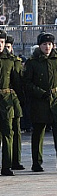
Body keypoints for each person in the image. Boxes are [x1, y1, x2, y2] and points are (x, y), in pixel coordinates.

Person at [23, 33, 57, 172]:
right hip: (40, 101)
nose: (47, 47)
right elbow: (27, 83)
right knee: (38, 132)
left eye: (50, 44)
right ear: (40, 46)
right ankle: (37, 162)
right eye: (44, 44)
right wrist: (40, 92)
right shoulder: (32, 62)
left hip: (56, 98)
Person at [0, 29, 22, 176]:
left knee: (8, 134)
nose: (0, 45)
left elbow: (17, 83)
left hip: (6, 101)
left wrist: (20, 102)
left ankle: (6, 166)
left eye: (2, 42)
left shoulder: (11, 61)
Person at [4, 36, 25, 170]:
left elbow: (19, 82)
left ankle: (15, 160)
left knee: (15, 131)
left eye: (8, 46)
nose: (6, 49)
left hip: (13, 100)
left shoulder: (16, 61)